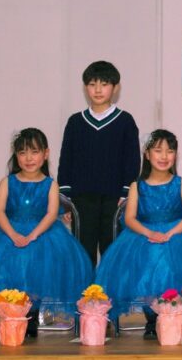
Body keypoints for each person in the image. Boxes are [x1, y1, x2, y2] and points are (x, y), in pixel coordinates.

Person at [94, 130, 182, 339]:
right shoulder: (137, 186)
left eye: (170, 151)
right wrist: (150, 233)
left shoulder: (180, 183)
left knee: (168, 262)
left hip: (177, 234)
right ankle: (152, 318)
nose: (164, 156)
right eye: (158, 150)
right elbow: (130, 218)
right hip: (144, 234)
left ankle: (170, 313)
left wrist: (170, 234)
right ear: (147, 154)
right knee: (148, 260)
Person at [0, 128, 94, 332]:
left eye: (34, 152)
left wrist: (33, 235)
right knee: (13, 261)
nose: (29, 158)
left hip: (42, 233)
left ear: (45, 154)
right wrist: (13, 234)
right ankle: (13, 310)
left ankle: (32, 313)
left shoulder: (50, 184)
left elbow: (51, 214)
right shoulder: (7, 182)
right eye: (22, 153)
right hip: (10, 233)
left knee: (38, 261)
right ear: (16, 156)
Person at [58, 60, 140, 266]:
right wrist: (65, 201)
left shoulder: (125, 121)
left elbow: (132, 160)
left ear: (115, 87)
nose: (98, 89)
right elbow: (66, 160)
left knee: (112, 251)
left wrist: (126, 194)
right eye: (92, 84)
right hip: (82, 198)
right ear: (85, 87)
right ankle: (86, 287)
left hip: (114, 199)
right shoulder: (75, 122)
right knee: (83, 251)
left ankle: (108, 287)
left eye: (104, 84)